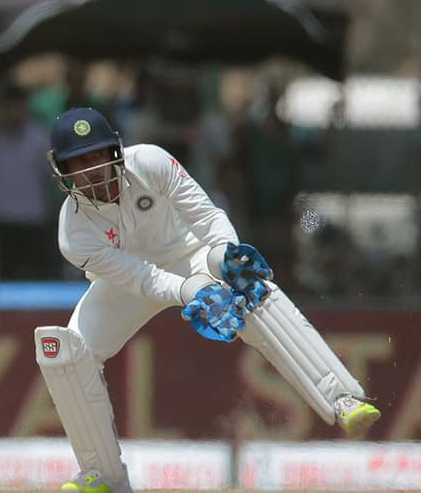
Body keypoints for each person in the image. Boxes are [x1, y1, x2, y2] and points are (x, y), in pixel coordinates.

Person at [34, 107, 381, 493]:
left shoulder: (150, 161)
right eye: (79, 162)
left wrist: (225, 256)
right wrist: (190, 291)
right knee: (66, 351)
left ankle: (344, 398)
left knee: (250, 286)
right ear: (62, 169)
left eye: (97, 155)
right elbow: (138, 277)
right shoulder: (73, 232)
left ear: (115, 150)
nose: (91, 169)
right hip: (127, 283)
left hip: (190, 254)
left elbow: (207, 217)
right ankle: (102, 475)